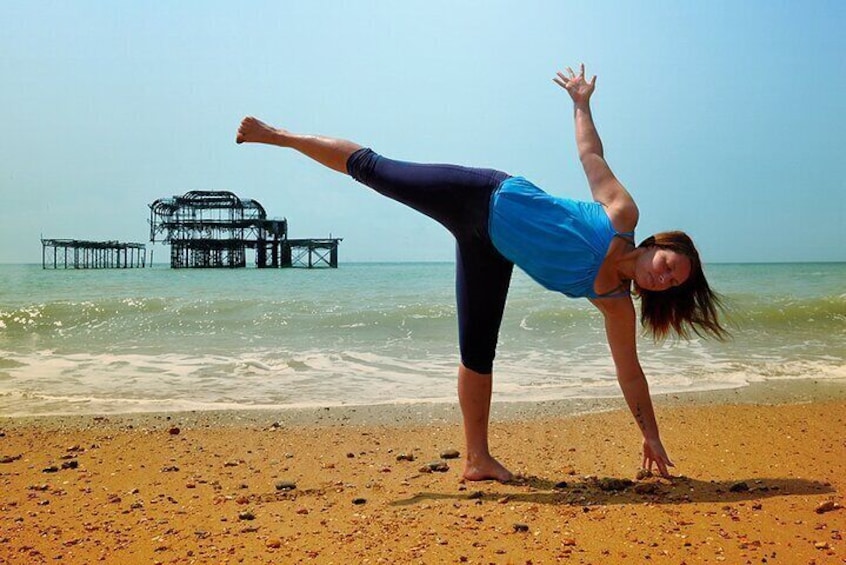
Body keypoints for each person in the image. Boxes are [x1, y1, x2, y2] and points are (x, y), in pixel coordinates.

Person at [236, 63, 727, 482]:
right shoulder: (621, 214)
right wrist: (581, 103)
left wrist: (650, 435)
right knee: (375, 169)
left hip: (490, 250)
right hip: (482, 194)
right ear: (654, 246)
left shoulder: (616, 305)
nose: (664, 279)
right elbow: (591, 155)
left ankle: (477, 458)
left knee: (477, 351)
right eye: (667, 266)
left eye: (672, 283)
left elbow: (630, 374)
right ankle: (277, 135)